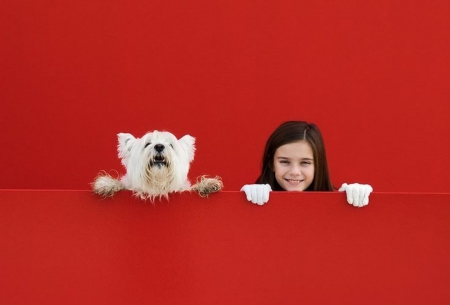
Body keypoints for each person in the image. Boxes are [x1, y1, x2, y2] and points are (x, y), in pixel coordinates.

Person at [241, 121, 373, 207]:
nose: (294, 171)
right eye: (284, 161)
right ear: (271, 163)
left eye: (305, 162)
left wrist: (351, 201)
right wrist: (242, 202)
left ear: (317, 165)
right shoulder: (255, 196)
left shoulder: (338, 202)